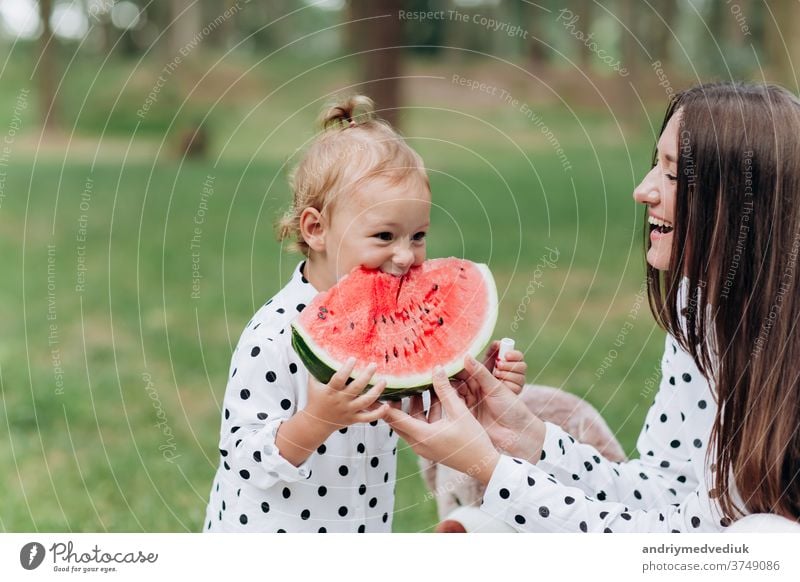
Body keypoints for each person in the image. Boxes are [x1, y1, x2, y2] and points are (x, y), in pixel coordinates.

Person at [382, 82, 800, 532]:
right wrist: (527, 438)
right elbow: (661, 491)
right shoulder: (695, 305)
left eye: (672, 174)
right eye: (653, 164)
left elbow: (683, 547)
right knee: (487, 531)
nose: (644, 191)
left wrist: (492, 470)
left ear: (741, 202)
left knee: (768, 540)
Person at [203, 95, 430, 532]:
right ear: (316, 229)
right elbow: (244, 461)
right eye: (384, 235)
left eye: (418, 235)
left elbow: (416, 402)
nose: (405, 256)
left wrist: (475, 377)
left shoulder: (394, 321)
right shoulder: (272, 335)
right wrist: (318, 420)